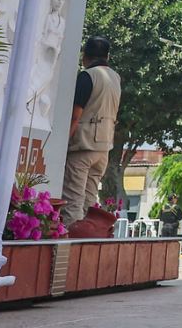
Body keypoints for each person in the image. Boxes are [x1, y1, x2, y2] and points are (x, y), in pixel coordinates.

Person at [62, 36, 121, 224]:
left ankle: (70, 248)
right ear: (108, 56)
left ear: (84, 56)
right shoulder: (115, 78)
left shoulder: (88, 76)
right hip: (103, 150)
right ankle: (86, 245)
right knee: (88, 205)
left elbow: (75, 116)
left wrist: (62, 144)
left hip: (82, 148)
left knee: (72, 203)